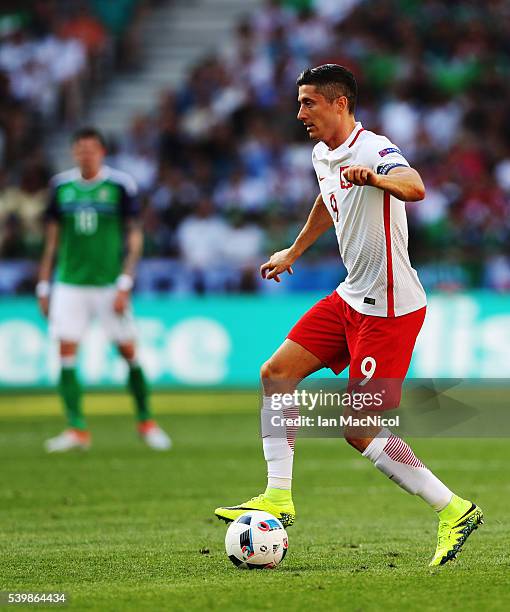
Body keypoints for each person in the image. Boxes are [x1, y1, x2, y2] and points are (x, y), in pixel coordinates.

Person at [214, 64, 482, 566]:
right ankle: (277, 496)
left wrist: (378, 178)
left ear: (340, 104)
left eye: (309, 102)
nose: (300, 113)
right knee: (275, 374)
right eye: (299, 102)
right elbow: (327, 197)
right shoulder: (322, 153)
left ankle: (455, 510)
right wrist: (293, 252)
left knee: (358, 428)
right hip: (351, 297)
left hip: (391, 310)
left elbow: (416, 186)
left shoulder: (373, 147)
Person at [37, 127, 171, 452]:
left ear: (102, 152)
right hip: (69, 284)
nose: (86, 154)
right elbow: (52, 240)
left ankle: (146, 421)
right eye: (81, 149)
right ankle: (76, 429)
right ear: (74, 152)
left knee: (128, 351)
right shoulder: (61, 188)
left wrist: (125, 281)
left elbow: (135, 236)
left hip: (109, 284)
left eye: (92, 149)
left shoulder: (119, 186)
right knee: (66, 353)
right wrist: (44, 283)